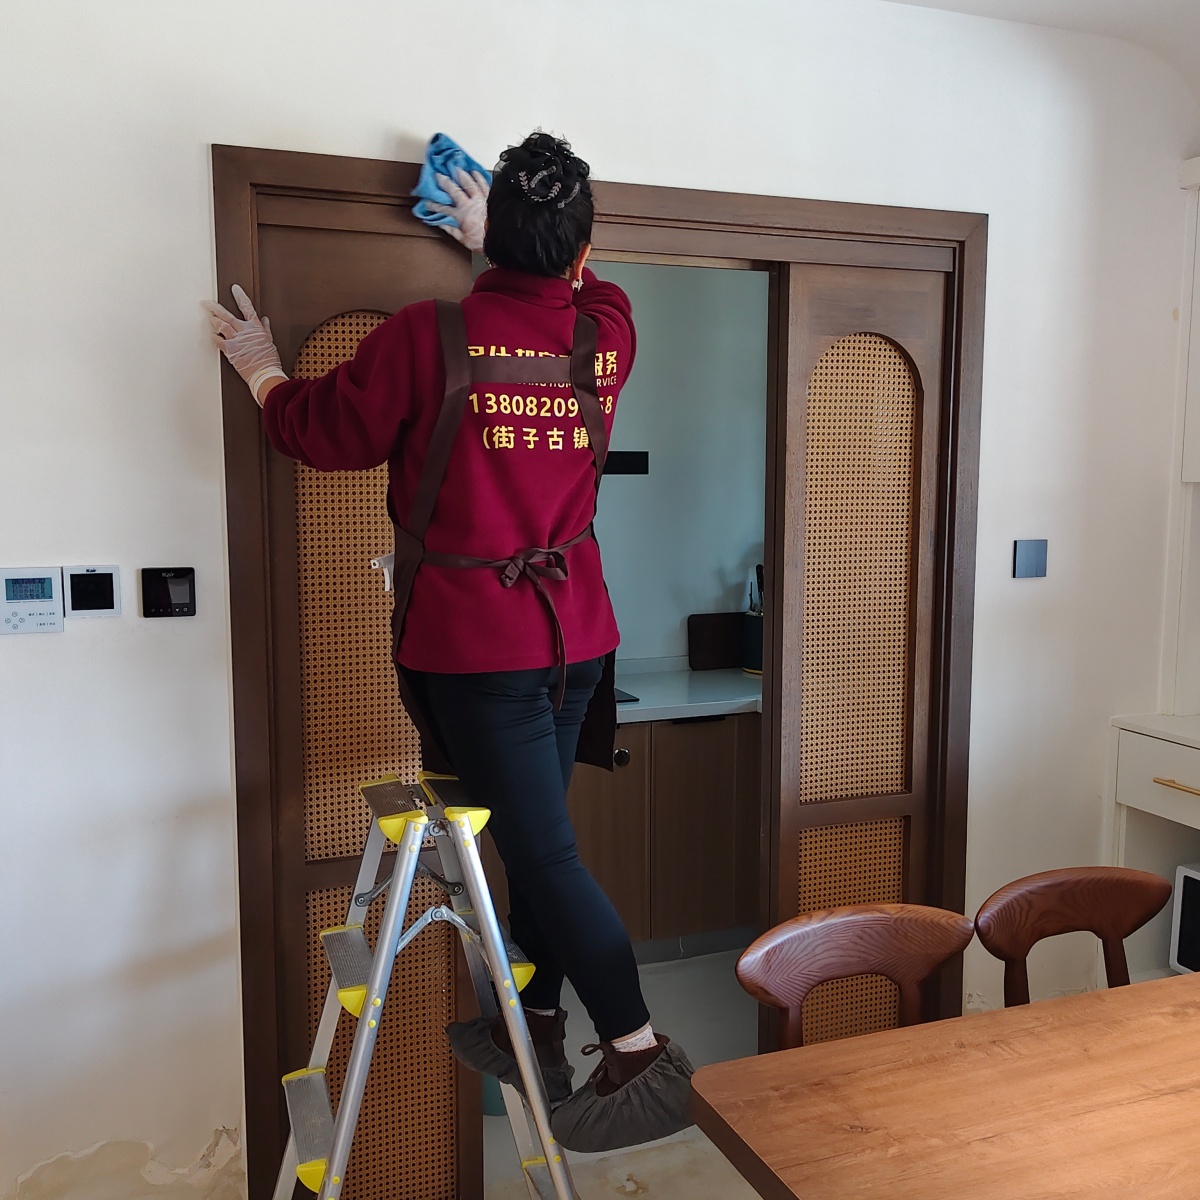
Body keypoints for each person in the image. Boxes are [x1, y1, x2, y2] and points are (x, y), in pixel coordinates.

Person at [205, 131, 693, 1153]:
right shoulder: (604, 331)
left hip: (478, 647)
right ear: (579, 249)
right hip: (578, 637)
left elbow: (315, 431)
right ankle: (540, 1021)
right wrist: (505, 242)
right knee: (538, 843)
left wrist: (260, 370)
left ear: (494, 237)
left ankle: (640, 1054)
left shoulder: (428, 337)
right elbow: (590, 284)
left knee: (543, 853)